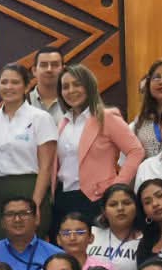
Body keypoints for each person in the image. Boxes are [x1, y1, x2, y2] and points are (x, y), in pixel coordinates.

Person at [51, 65, 143, 221]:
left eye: (77, 84)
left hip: (96, 198)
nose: (71, 90)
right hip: (62, 197)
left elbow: (136, 151)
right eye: (65, 87)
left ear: (89, 86)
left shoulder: (106, 117)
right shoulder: (63, 122)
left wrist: (116, 188)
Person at [0, 64, 56, 238]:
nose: (9, 87)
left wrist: (35, 204)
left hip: (29, 190)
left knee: (28, 244)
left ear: (26, 87)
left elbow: (46, 167)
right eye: (4, 82)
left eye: (15, 82)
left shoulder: (40, 118)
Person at [37, 213, 120, 270]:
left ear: (91, 238)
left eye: (80, 232)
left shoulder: (105, 268)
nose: (72, 238)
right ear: (58, 240)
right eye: (66, 233)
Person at [89, 185, 144, 270]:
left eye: (126, 203)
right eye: (113, 204)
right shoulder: (92, 235)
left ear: (136, 207)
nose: (120, 208)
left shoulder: (146, 241)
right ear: (104, 211)